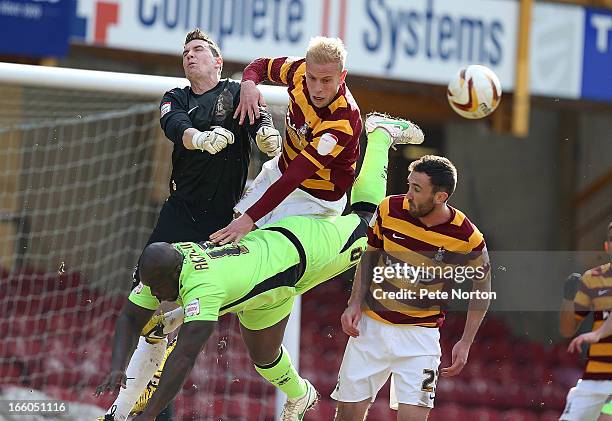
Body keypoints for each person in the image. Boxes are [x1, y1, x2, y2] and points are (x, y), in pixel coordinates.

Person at [95, 114, 420, 421]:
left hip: (301, 251)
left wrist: (149, 415)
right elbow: (129, 316)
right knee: (265, 359)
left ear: (172, 276)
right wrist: (114, 367)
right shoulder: (171, 258)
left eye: (156, 289)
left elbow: (183, 359)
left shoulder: (203, 288)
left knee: (367, 220)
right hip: (263, 292)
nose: (153, 293)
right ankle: (301, 394)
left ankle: (379, 133)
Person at [96, 28, 281, 421]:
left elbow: (258, 123)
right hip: (179, 211)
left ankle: (150, 410)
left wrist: (266, 133)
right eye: (185, 52)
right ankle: (131, 404)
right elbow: (176, 127)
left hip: (222, 221)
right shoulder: (175, 97)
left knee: (179, 319)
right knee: (147, 303)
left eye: (198, 50)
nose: (190, 56)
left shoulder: (237, 92)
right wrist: (199, 139)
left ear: (217, 60)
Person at [210, 36, 424, 245]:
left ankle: (381, 135)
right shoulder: (299, 70)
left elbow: (295, 176)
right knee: (231, 234)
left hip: (316, 200)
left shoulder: (342, 120)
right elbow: (261, 66)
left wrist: (249, 219)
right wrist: (248, 84)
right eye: (312, 78)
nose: (317, 88)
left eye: (326, 80)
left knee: (259, 247)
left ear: (342, 76)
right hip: (279, 171)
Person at [332, 155, 492, 421]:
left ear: (440, 197)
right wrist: (354, 303)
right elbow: (369, 256)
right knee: (346, 415)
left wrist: (466, 341)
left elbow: (483, 287)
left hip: (421, 339)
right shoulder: (387, 209)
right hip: (370, 329)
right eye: (409, 185)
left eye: (416, 189)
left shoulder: (467, 236)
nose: (408, 194)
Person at [560, 221, 612, 421]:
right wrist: (568, 297)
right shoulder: (592, 279)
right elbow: (567, 330)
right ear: (607, 246)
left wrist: (597, 333)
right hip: (596, 376)